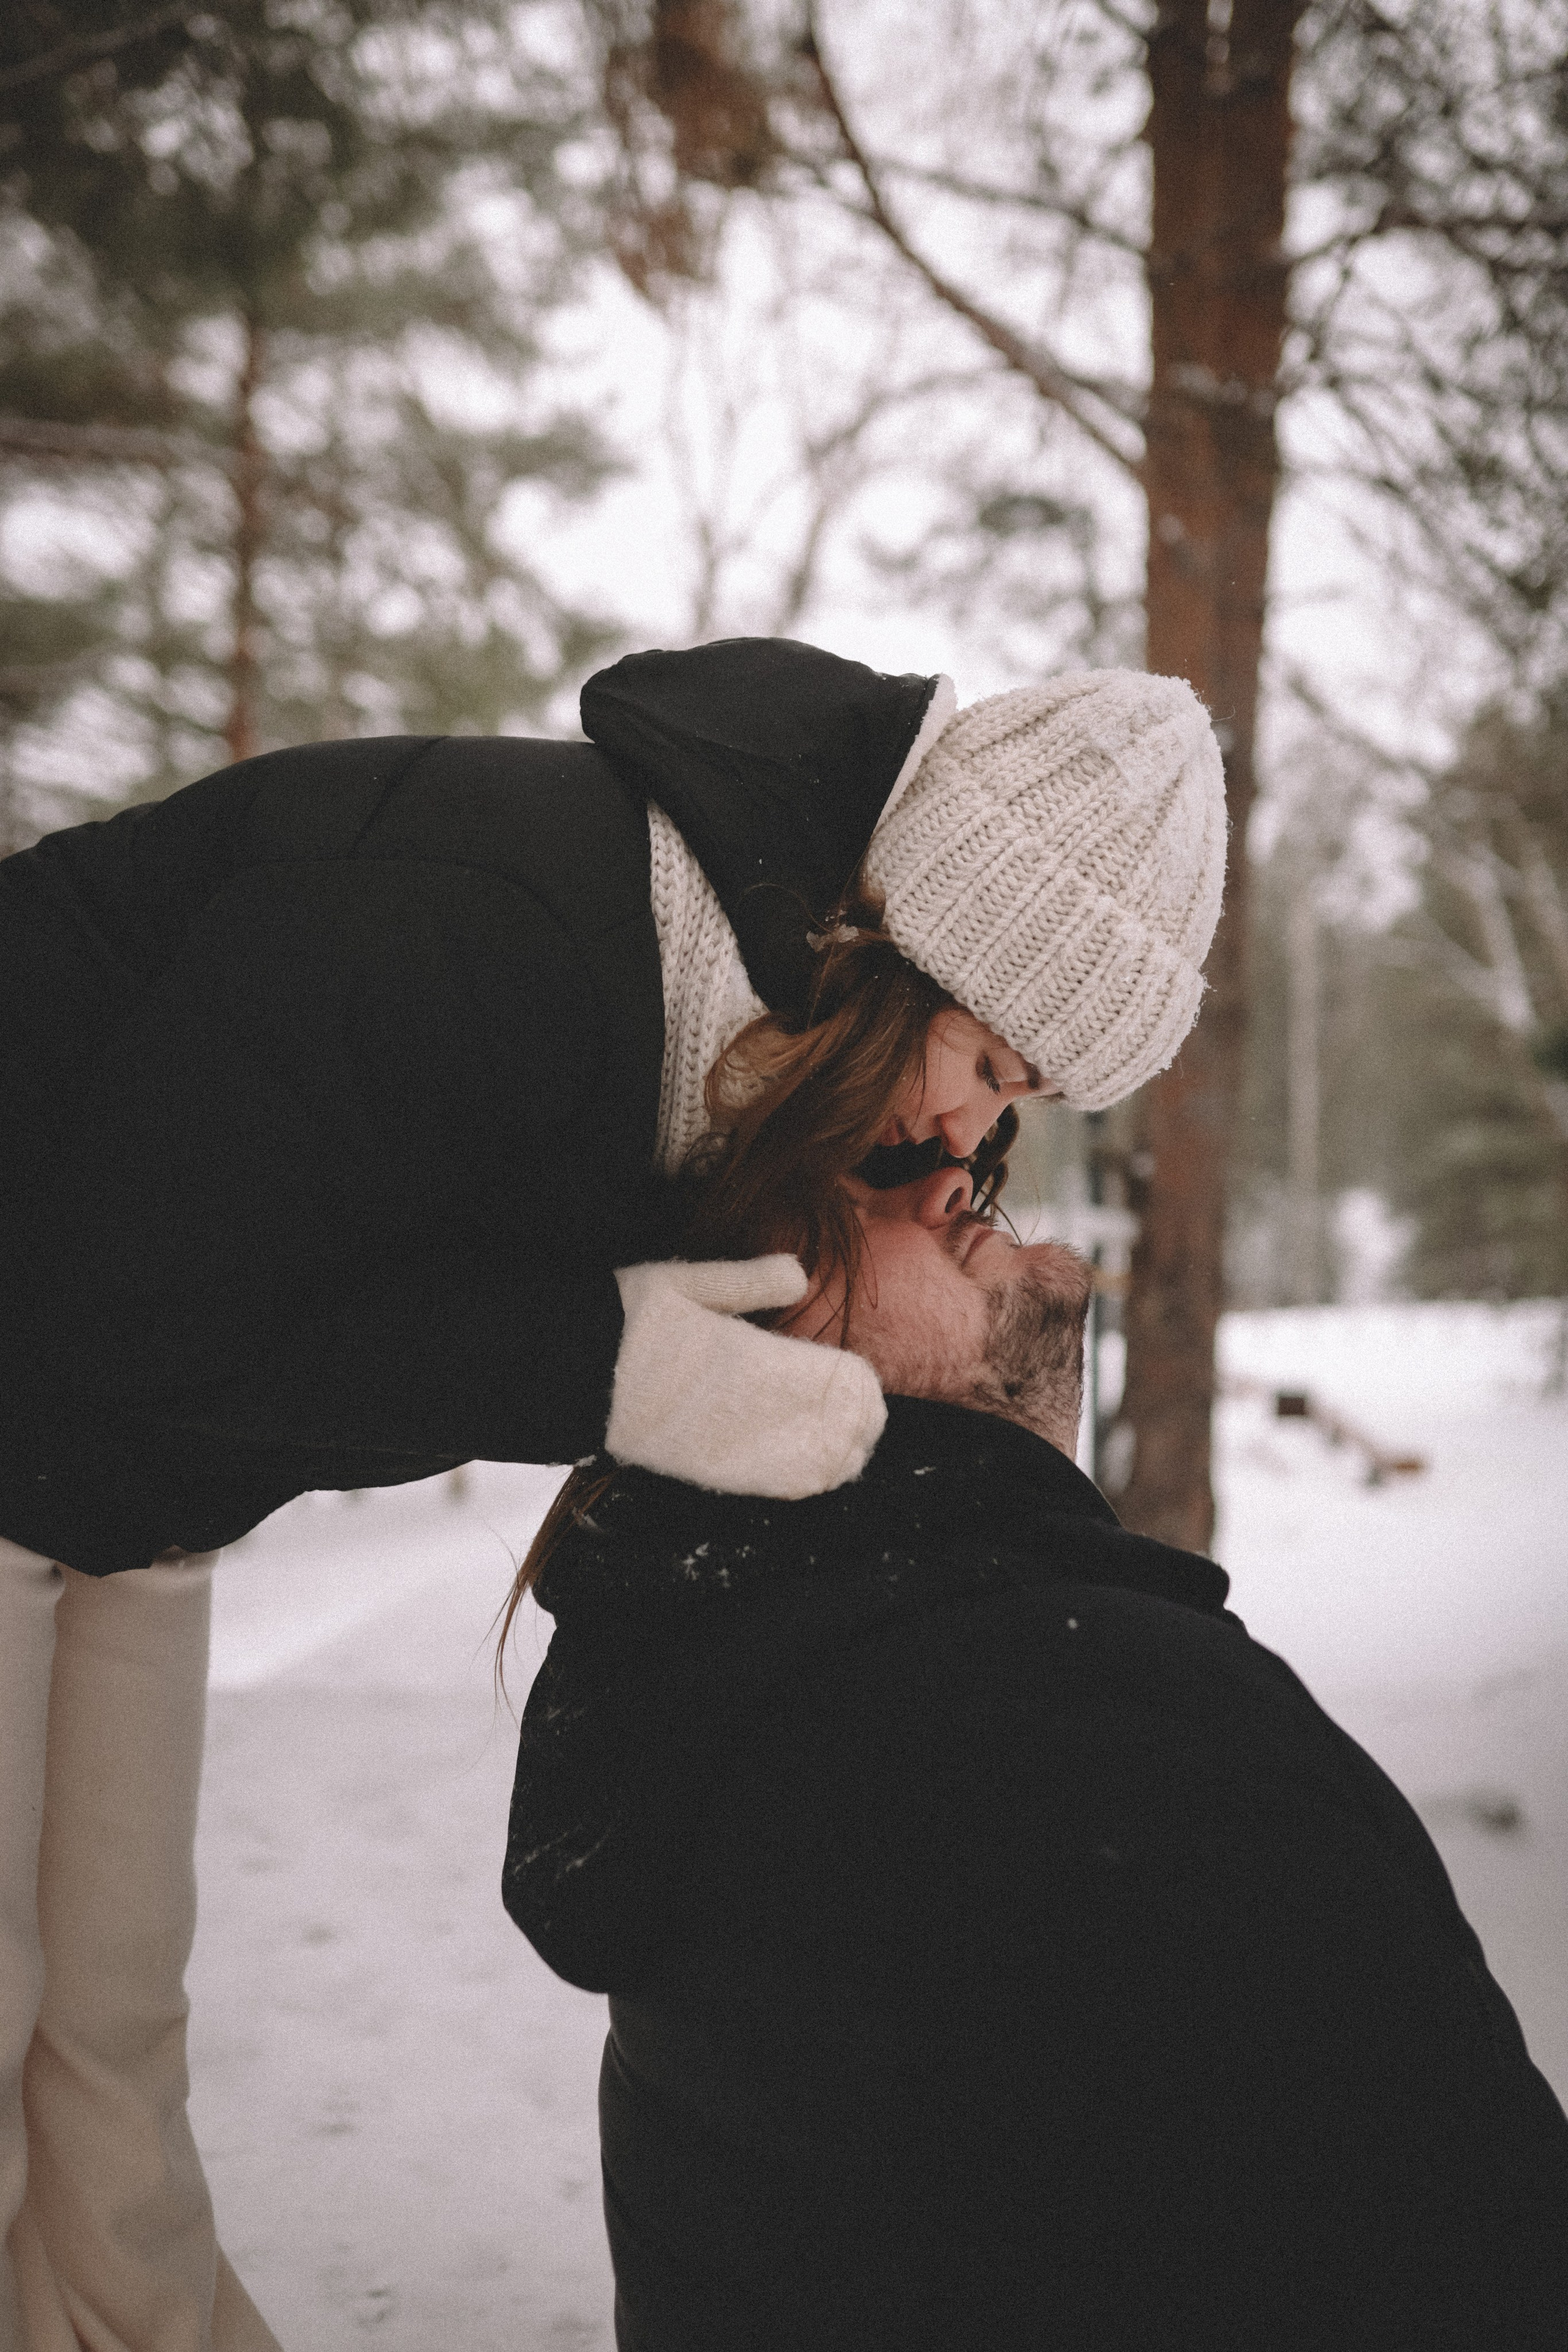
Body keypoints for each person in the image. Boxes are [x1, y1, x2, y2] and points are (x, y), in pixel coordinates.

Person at [0, 643, 1226, 2345]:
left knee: (108, 2025)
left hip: (119, 1469)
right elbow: (129, 1309)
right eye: (997, 1070)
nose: (971, 1140)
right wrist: (610, 1367)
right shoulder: (507, 931)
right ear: (929, 948)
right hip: (62, 1368)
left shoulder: (745, 1041)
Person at [502, 1159, 1568, 2351]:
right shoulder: (1103, 1720)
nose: (957, 1178)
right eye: (852, 1196)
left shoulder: (707, 1685)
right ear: (737, 1350)